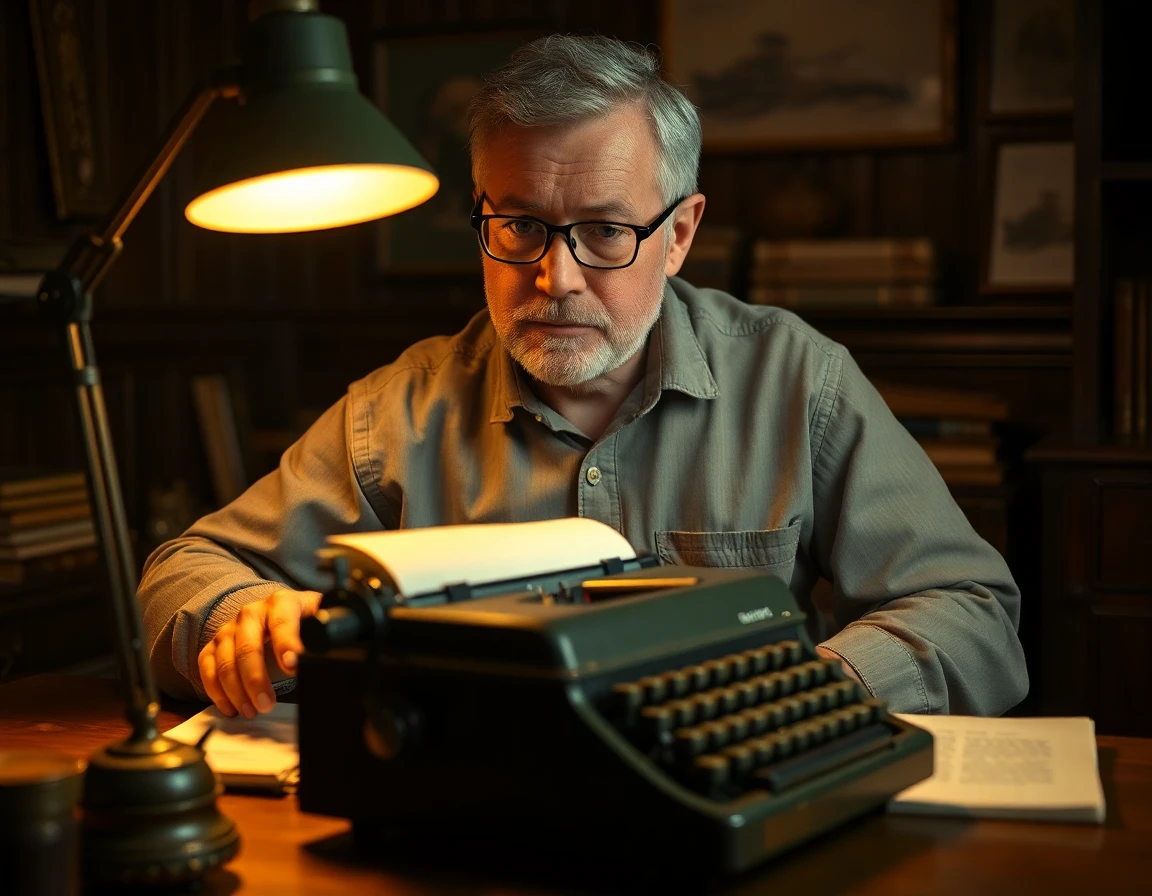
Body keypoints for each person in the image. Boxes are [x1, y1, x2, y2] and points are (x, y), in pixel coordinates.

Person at [138, 34, 1028, 722]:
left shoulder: (799, 381)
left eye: (606, 232)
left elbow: (971, 608)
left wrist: (814, 686)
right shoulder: (397, 412)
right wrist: (239, 619)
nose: (554, 279)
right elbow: (187, 565)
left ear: (679, 234)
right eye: (519, 226)